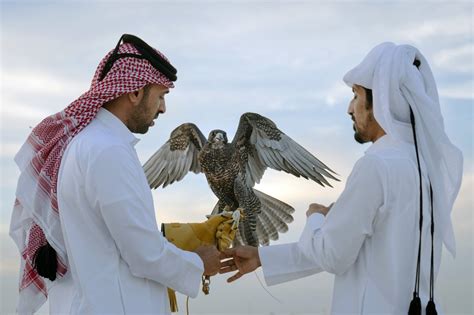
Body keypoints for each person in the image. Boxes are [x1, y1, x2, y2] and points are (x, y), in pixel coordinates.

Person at [221, 42, 463, 314]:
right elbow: (348, 247)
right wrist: (263, 257)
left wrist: (316, 217)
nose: (350, 108)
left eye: (356, 95)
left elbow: (332, 255)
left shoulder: (376, 165)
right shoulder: (425, 167)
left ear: (380, 101)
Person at [10, 34, 222, 314]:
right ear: (134, 93)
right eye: (160, 96)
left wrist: (169, 241)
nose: (163, 108)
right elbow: (144, 254)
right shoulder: (107, 150)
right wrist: (197, 261)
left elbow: (107, 237)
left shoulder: (84, 144)